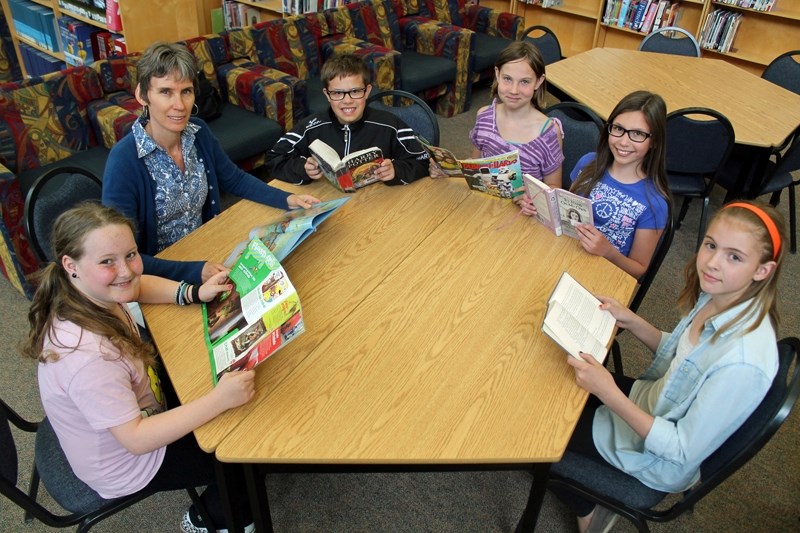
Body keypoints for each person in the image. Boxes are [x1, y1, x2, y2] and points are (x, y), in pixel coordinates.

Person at [22, 203, 257, 533]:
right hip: (132, 460)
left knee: (211, 377)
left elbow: (138, 283)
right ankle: (210, 519)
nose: (126, 270)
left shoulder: (88, 291)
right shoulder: (88, 359)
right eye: (107, 262)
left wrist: (192, 292)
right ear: (70, 265)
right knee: (242, 449)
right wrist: (219, 400)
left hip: (137, 406)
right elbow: (136, 439)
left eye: (130, 254)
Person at [552, 201, 785, 533]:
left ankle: (588, 511)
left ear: (762, 270)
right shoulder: (720, 295)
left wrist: (608, 392)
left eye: (734, 256)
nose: (712, 263)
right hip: (652, 402)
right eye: (711, 245)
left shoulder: (743, 363)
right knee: (552, 384)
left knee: (535, 434)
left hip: (653, 456)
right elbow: (683, 358)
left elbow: (679, 449)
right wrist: (632, 321)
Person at [102, 42, 320, 286]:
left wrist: (286, 199)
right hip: (160, 278)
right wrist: (195, 271)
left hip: (207, 249)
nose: (179, 105)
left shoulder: (199, 132)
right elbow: (124, 258)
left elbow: (234, 179)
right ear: (143, 95)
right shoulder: (124, 161)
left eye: (185, 91)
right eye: (166, 92)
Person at [264, 53, 429, 186]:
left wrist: (396, 171)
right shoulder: (310, 126)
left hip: (379, 208)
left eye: (355, 91)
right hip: (328, 202)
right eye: (337, 93)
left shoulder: (391, 125)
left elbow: (423, 161)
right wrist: (302, 168)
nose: (347, 100)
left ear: (367, 91)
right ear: (327, 95)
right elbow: (274, 158)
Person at [569, 90, 671, 280]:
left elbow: (639, 269)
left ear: (654, 141)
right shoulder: (588, 163)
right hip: (565, 253)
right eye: (618, 129)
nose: (624, 142)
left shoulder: (654, 203)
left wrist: (607, 251)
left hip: (603, 277)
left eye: (638, 134)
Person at [464, 40, 564, 211]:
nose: (514, 90)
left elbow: (554, 188)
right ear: (497, 74)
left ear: (538, 82)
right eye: (507, 79)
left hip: (523, 219)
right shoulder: (484, 116)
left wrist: (533, 197)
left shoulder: (548, 133)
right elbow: (476, 163)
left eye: (524, 82)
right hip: (484, 208)